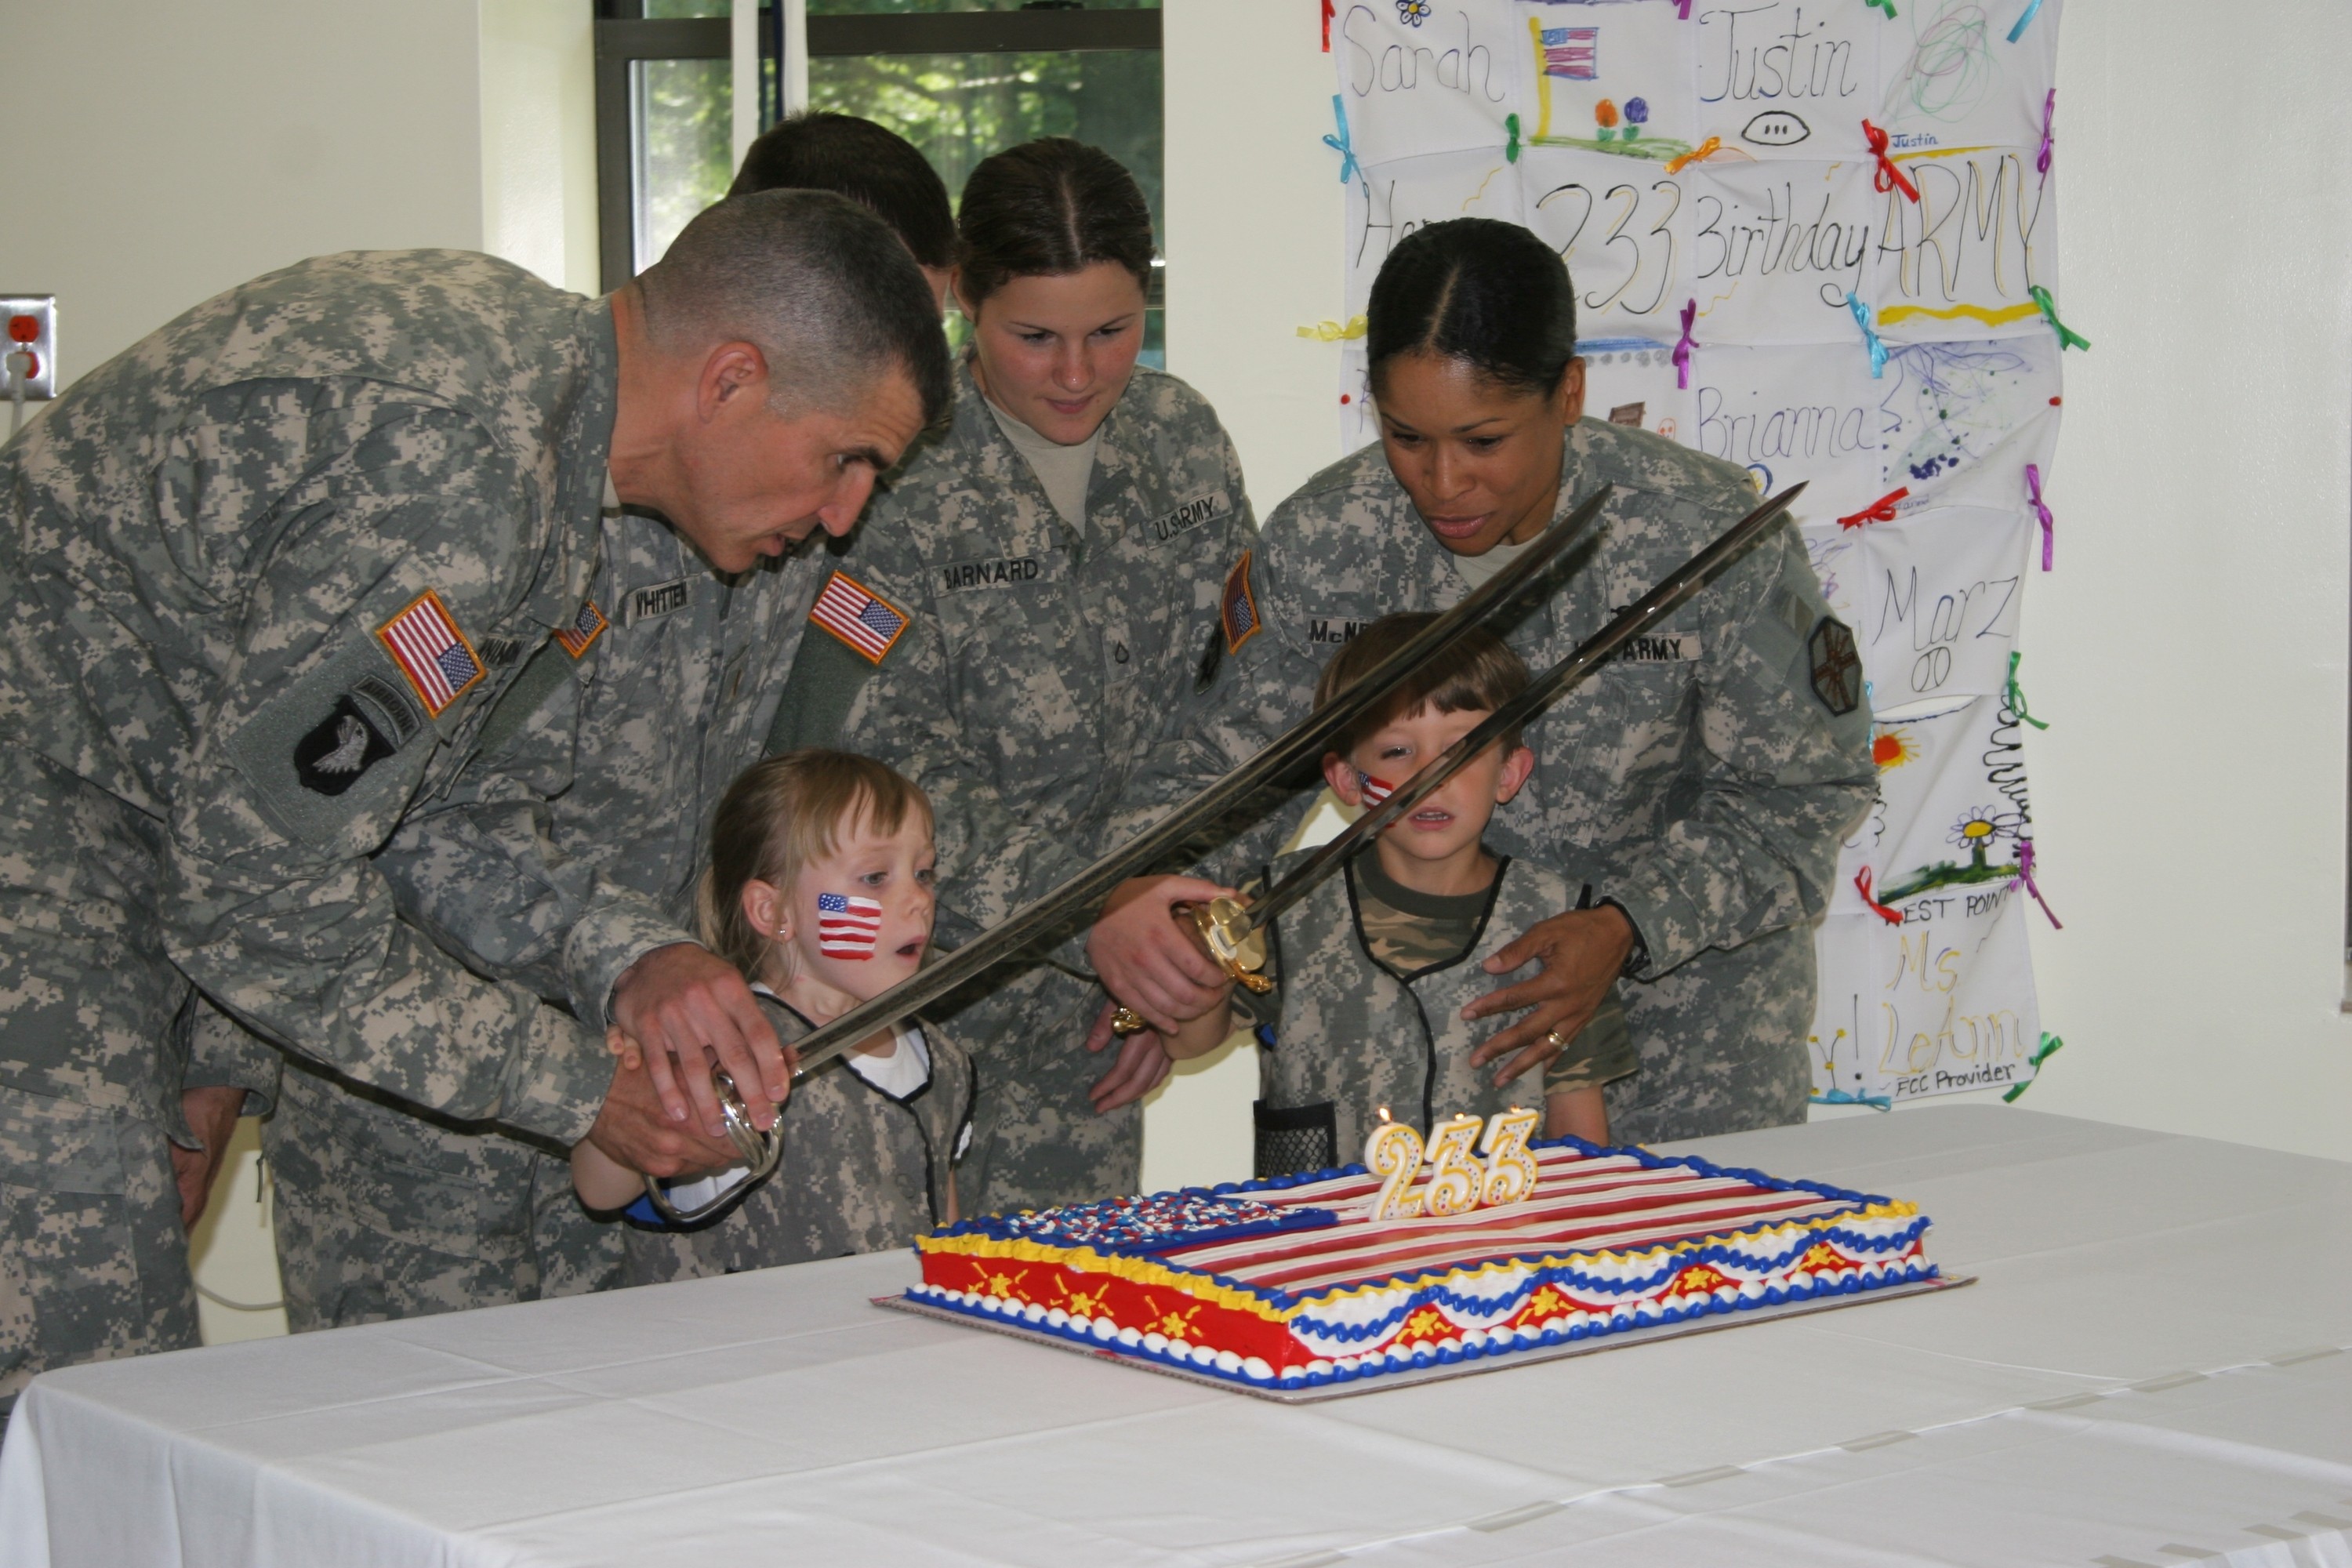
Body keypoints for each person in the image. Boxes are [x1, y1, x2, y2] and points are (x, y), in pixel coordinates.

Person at [0, 187, 948, 1417]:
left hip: (128, 829)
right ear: (730, 381)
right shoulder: (464, 474)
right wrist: (571, 1089)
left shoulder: (546, 451)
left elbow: (437, 814)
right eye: (845, 459)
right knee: (74, 1386)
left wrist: (631, 954)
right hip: (48, 836)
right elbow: (255, 896)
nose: (844, 517)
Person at [253, 114, 964, 1330]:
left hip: (662, 1103)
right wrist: (211, 1075)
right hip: (426, 1114)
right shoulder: (526, 479)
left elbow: (829, 808)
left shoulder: (814, 504)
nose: (855, 503)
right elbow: (335, 818)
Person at [1115, 216, 1875, 1145]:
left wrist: (1625, 924)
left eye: (1483, 440)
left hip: (1687, 1058)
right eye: (1406, 436)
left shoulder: (1702, 532)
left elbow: (1800, 795)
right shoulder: (1328, 542)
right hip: (1412, 1083)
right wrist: (1147, 914)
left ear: (1568, 393)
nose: (1442, 482)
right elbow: (1224, 776)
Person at [764, 138, 1254, 1217]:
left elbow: (1236, 713)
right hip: (907, 1018)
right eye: (1034, 337)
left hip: (1095, 1043)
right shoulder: (891, 467)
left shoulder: (1183, 444)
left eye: (1113, 332)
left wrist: (1167, 956)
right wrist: (1098, 918)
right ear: (963, 305)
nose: (1078, 374)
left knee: (1061, 1346)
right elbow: (878, 766)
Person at [1156, 617, 1633, 1174]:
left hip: (1500, 1249)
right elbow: (1187, 1044)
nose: (1430, 776)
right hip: (1327, 1244)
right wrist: (1195, 956)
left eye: (1462, 749)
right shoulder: (1284, 906)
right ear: (1348, 780)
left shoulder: (1562, 927)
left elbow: (1583, 1136)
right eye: (1398, 750)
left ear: (1509, 773)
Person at [574, 750, 974, 1278]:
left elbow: (944, 1235)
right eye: (875, 877)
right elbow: (598, 1190)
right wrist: (633, 1077)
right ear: (774, 911)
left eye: (924, 872)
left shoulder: (942, 1061)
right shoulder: (716, 1043)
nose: (917, 899)